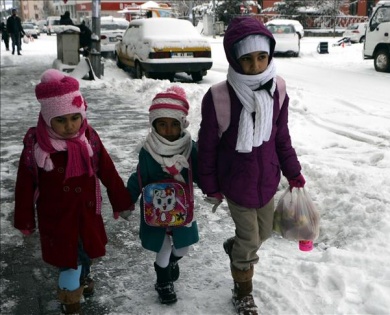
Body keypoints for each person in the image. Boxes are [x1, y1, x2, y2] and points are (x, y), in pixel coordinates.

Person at [197, 16, 306, 315]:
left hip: (267, 179)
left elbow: (281, 137)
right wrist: (210, 185)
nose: (256, 66)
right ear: (234, 59)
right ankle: (243, 291)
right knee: (250, 240)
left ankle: (235, 249)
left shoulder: (278, 90)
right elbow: (206, 146)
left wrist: (292, 172)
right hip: (236, 182)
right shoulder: (219, 96)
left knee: (264, 234)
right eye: (247, 59)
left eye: (262, 57)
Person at [13, 69, 134, 315]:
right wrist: (25, 219)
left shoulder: (89, 138)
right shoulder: (38, 145)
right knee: (69, 263)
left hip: (86, 215)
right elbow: (25, 184)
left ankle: (82, 279)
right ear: (48, 119)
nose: (69, 126)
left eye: (74, 117)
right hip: (57, 218)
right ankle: (71, 304)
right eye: (60, 120)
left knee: (84, 254)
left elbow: (108, 171)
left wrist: (121, 201)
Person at [126, 86, 200, 305]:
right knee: (163, 247)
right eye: (162, 124)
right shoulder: (148, 151)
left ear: (182, 124)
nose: (168, 130)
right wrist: (127, 200)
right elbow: (138, 177)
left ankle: (172, 263)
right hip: (154, 210)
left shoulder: (189, 148)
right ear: (154, 125)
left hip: (181, 210)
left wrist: (214, 189)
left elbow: (203, 173)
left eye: (174, 124)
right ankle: (163, 282)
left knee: (183, 248)